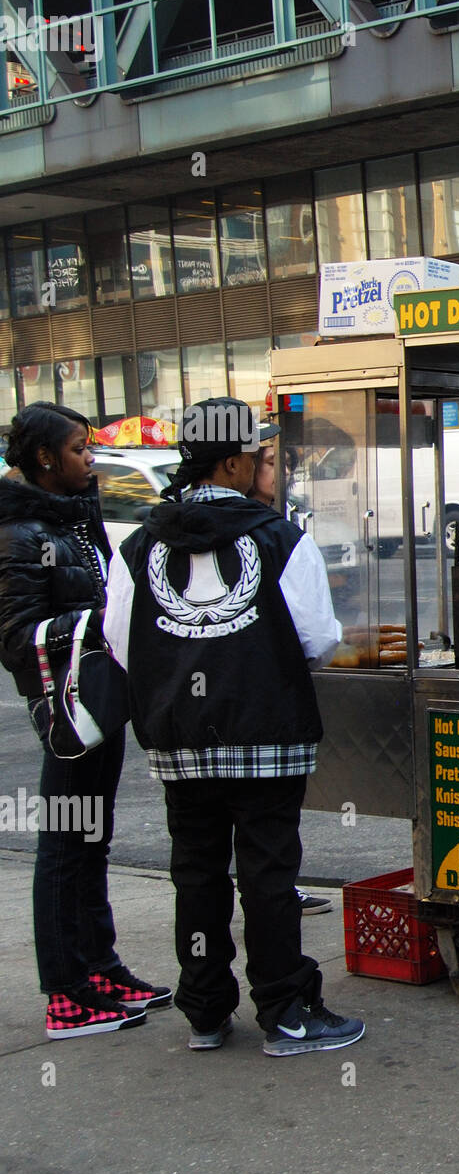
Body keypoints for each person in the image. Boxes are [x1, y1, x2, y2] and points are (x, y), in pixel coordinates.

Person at [104, 397, 363, 1056]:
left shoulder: (140, 545)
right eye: (255, 453)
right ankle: (285, 1012)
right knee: (268, 875)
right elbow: (318, 639)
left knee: (196, 871)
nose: (262, 464)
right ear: (230, 461)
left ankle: (205, 1011)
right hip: (266, 733)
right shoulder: (279, 538)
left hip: (180, 739)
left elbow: (119, 643)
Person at [0, 402, 171, 1040]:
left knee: (90, 840)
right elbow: (16, 636)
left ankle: (99, 966)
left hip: (101, 697)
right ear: (45, 458)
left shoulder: (74, 514)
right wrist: (98, 627)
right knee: (64, 845)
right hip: (66, 705)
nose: (91, 460)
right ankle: (65, 993)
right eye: (80, 450)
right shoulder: (19, 533)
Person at [250, 438, 331, 916]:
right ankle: (279, 979)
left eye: (283, 463)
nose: (279, 472)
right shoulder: (274, 536)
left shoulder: (284, 524)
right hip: (265, 707)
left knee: (207, 853)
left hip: (196, 720)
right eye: (267, 463)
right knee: (264, 834)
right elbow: (315, 635)